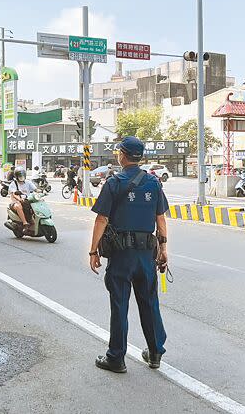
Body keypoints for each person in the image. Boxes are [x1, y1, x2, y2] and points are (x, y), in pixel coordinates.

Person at [89, 136, 169, 373]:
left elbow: (101, 219)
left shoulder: (114, 183)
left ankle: (116, 358)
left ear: (122, 155)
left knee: (120, 305)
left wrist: (93, 251)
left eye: (118, 152)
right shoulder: (153, 183)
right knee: (149, 303)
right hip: (146, 254)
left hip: (122, 256)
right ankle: (155, 353)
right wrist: (163, 249)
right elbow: (160, 219)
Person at [10, 167, 37, 232]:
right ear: (16, 176)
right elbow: (14, 194)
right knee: (18, 206)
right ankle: (25, 223)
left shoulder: (28, 182)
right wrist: (19, 199)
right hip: (16, 201)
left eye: (22, 175)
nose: (21, 177)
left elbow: (35, 189)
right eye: (20, 176)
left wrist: (41, 191)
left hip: (27, 200)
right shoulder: (14, 183)